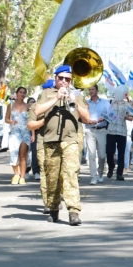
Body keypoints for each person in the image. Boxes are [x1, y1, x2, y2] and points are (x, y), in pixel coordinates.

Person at [33, 65, 91, 225]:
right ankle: (53, 208)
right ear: (56, 78)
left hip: (70, 140)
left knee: (70, 174)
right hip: (50, 140)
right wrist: (56, 98)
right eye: (61, 78)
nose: (64, 82)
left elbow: (86, 118)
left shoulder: (76, 94)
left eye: (68, 79)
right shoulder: (46, 93)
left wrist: (75, 102)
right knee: (52, 178)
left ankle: (73, 211)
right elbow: (37, 111)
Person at [106, 85, 133, 181]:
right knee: (109, 152)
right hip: (111, 131)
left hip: (122, 132)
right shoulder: (110, 103)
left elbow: (132, 116)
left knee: (121, 153)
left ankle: (119, 173)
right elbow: (106, 114)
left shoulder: (127, 105)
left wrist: (126, 117)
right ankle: (111, 166)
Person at [5, 86, 31, 185]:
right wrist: (11, 122)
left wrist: (32, 133)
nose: (22, 94)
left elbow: (31, 120)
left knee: (22, 155)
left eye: (24, 92)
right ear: (16, 93)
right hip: (14, 132)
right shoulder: (10, 105)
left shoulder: (28, 106)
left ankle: (22, 177)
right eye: (20, 92)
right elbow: (6, 119)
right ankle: (16, 174)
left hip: (25, 132)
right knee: (13, 153)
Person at [83, 85, 109, 185]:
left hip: (101, 130)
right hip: (90, 130)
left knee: (102, 155)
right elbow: (82, 116)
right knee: (92, 154)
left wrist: (105, 118)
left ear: (97, 90)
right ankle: (93, 177)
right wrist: (88, 121)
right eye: (89, 89)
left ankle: (101, 172)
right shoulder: (86, 104)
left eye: (92, 89)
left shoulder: (105, 103)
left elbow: (112, 116)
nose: (91, 91)